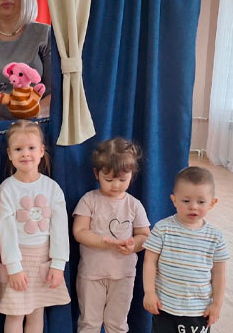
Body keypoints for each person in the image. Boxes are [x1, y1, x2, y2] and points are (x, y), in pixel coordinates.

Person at [0, 120, 70, 333]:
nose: (25, 154)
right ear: (10, 154)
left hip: (43, 260)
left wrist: (58, 264)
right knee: (15, 313)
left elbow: (60, 230)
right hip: (17, 261)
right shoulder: (7, 189)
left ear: (41, 151)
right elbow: (4, 232)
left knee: (37, 312)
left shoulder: (52, 188)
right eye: (18, 149)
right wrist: (14, 268)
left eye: (31, 148)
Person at [72, 138, 151, 333]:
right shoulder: (89, 200)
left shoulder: (134, 205)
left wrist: (133, 245)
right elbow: (79, 231)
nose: (115, 185)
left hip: (123, 275)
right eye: (108, 180)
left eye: (122, 180)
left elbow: (144, 235)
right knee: (89, 323)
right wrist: (103, 242)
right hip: (91, 274)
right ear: (96, 174)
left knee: (117, 324)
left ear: (132, 175)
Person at [143, 166, 229, 332]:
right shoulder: (162, 229)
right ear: (174, 200)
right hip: (164, 308)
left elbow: (219, 273)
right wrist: (149, 292)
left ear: (212, 203)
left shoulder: (215, 237)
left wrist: (217, 305)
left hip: (198, 312)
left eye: (201, 202)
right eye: (186, 201)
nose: (193, 207)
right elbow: (149, 262)